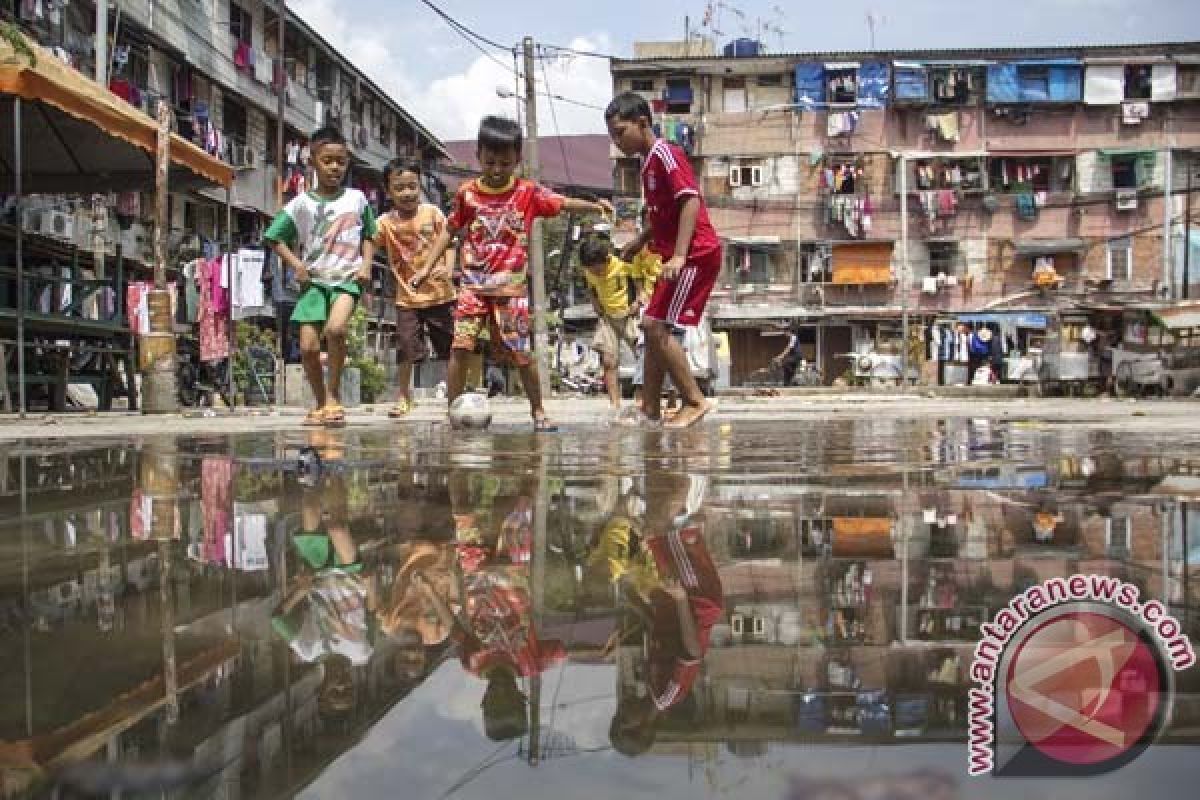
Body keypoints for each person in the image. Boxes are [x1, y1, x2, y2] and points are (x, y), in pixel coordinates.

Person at [416, 116, 612, 432]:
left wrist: (595, 207)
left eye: (505, 163)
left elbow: (562, 204)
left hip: (510, 291)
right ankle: (450, 412)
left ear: (517, 161)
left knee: (522, 354)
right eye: (490, 161)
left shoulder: (527, 193)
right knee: (460, 347)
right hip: (473, 287)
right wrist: (427, 266)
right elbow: (449, 230)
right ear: (478, 156)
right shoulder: (467, 194)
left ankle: (538, 411)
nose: (496, 169)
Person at [606, 92, 722, 428]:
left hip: (695, 254)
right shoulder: (648, 164)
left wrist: (681, 255)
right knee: (650, 325)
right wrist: (640, 242)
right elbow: (662, 215)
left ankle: (695, 400)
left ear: (642, 123)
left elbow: (690, 201)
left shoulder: (666, 154)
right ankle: (649, 409)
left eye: (620, 132)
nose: (617, 142)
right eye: (612, 135)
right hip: (677, 255)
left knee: (657, 327)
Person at [265, 126, 377, 428]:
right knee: (308, 347)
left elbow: (370, 234)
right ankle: (319, 400)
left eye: (340, 161)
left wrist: (366, 265)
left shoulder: (357, 199)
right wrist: (295, 264)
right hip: (314, 282)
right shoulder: (301, 203)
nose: (334, 167)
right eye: (327, 160)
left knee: (337, 330)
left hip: (346, 278)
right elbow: (273, 237)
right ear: (313, 161)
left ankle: (334, 395)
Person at [373, 158, 456, 419]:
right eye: (399, 188)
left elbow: (450, 242)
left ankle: (454, 396)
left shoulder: (432, 213)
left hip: (440, 294)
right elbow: (367, 244)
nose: (407, 193)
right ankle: (404, 396)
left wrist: (449, 268)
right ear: (388, 191)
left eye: (412, 186)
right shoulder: (384, 223)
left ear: (420, 186)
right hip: (407, 298)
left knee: (450, 348)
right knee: (406, 347)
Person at [578, 235, 648, 410]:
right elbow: (591, 288)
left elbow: (639, 282)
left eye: (598, 269)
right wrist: (595, 304)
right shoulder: (588, 273)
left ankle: (642, 399)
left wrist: (638, 301)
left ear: (606, 259)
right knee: (609, 361)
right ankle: (614, 404)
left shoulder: (622, 265)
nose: (596, 273)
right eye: (592, 270)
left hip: (629, 316)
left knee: (643, 356)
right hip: (608, 318)